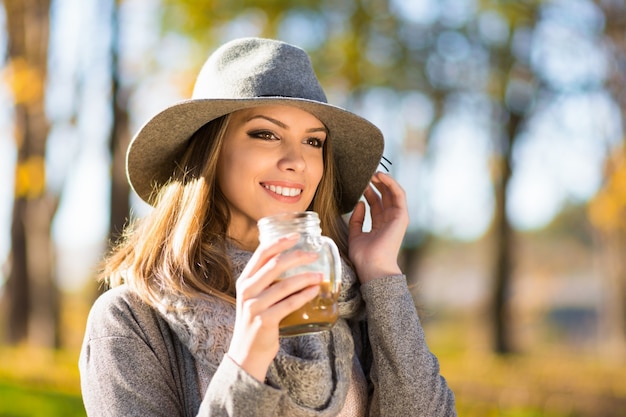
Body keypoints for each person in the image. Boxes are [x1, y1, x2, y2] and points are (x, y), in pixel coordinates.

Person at [79, 37, 457, 416]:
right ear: (210, 150)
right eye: (266, 134)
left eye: (313, 141)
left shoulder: (346, 299)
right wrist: (246, 358)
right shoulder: (129, 319)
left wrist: (380, 273)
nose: (297, 161)